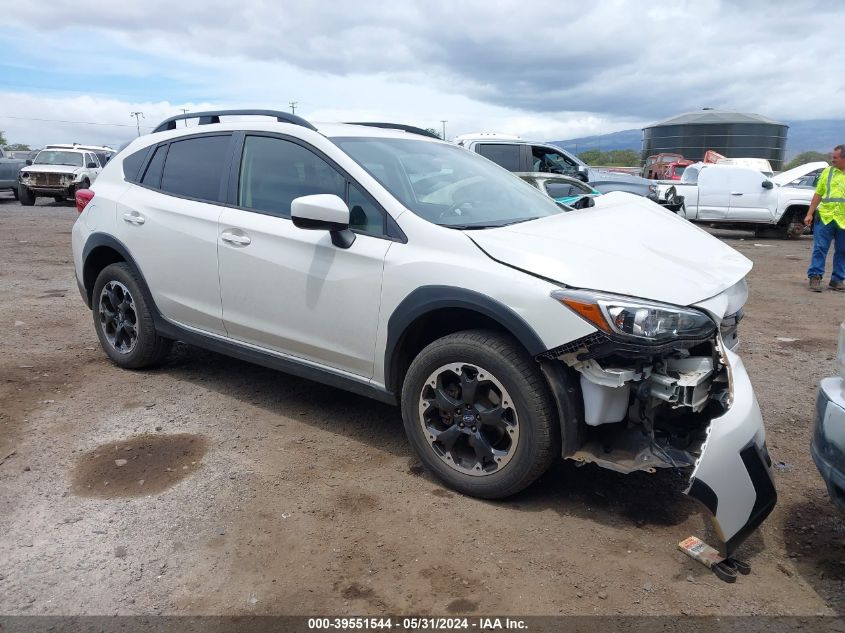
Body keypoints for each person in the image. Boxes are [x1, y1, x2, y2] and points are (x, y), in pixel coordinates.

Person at [804, 145, 845, 292]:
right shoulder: (827, 172)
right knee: (820, 248)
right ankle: (815, 277)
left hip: (843, 220)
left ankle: (837, 280)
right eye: (832, 157)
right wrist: (810, 213)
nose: (832, 160)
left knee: (843, 250)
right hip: (826, 217)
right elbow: (818, 194)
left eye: (835, 157)